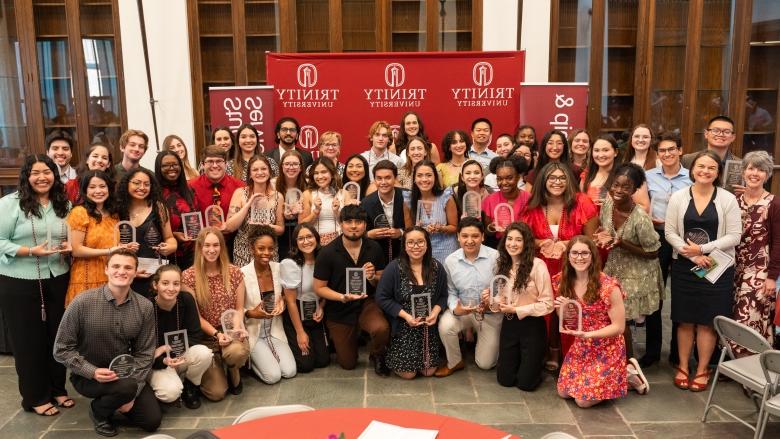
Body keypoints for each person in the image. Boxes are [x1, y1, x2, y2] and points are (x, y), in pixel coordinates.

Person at [54, 250, 161, 436]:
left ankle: (117, 399)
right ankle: (99, 412)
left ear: (136, 272)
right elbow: (61, 349)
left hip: (127, 376)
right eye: (116, 266)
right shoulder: (82, 302)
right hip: (88, 377)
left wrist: (132, 393)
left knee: (151, 421)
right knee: (125, 388)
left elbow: (145, 352)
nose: (122, 271)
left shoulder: (144, 307)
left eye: (128, 267)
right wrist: (92, 371)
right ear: (106, 270)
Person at [0, 155, 72, 417]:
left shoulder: (64, 203)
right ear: (26, 177)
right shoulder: (10, 204)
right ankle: (35, 396)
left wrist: (68, 247)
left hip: (58, 276)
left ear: (55, 174)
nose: (42, 177)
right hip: (19, 281)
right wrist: (29, 250)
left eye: (47, 172)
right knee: (28, 341)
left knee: (57, 337)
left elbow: (70, 234)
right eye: (35, 173)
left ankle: (57, 389)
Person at [666, 150, 741, 392]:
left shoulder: (727, 199)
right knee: (685, 319)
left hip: (717, 267)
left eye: (711, 168)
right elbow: (670, 233)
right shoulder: (678, 197)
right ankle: (683, 367)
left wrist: (704, 249)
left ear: (718, 172)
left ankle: (702, 370)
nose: (705, 171)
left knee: (708, 321)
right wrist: (692, 253)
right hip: (685, 267)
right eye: (700, 166)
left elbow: (735, 236)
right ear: (692, 169)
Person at [553, 236, 649, 408]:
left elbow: (619, 327)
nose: (579, 257)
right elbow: (568, 320)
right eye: (574, 253)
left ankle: (628, 375)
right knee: (563, 392)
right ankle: (624, 373)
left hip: (608, 347)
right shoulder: (563, 280)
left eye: (584, 253)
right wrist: (562, 309)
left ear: (593, 256)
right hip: (583, 345)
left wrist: (588, 334)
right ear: (568, 256)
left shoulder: (608, 286)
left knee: (582, 401)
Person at [522, 162, 598, 369]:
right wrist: (541, 242)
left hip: (575, 267)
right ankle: (548, 351)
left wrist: (567, 244)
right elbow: (524, 238)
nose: (557, 182)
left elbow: (592, 240)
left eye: (562, 178)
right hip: (542, 267)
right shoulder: (532, 204)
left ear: (569, 181)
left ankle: (571, 355)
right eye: (552, 178)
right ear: (543, 181)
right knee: (545, 313)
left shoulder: (583, 202)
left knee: (569, 310)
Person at [595, 163, 663, 359]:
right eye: (616, 185)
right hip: (614, 268)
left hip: (638, 275)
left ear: (635, 190)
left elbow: (654, 252)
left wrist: (621, 243)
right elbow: (605, 228)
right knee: (610, 317)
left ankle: (628, 367)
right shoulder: (608, 204)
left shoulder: (640, 218)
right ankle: (615, 360)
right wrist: (602, 234)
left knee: (621, 320)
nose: (618, 190)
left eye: (626, 187)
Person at [313, 205, 390, 375]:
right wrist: (341, 297)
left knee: (381, 328)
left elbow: (382, 280)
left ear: (365, 225)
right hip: (339, 308)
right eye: (348, 221)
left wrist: (372, 278)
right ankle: (349, 338)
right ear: (340, 224)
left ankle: (377, 354)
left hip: (366, 303)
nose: (354, 226)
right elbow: (319, 288)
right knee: (348, 364)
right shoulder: (328, 252)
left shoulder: (374, 248)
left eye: (359, 222)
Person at [181, 228, 250, 401]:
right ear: (199, 248)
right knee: (217, 393)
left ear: (221, 247)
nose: (212, 250)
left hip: (230, 329)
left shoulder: (234, 272)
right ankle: (217, 364)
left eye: (216, 245)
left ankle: (233, 369)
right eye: (207, 245)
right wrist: (217, 334)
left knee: (236, 352)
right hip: (206, 336)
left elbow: (239, 308)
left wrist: (233, 330)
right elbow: (196, 317)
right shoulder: (188, 276)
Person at [643, 131, 692, 367]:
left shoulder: (692, 177)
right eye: (662, 150)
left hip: (684, 239)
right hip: (657, 237)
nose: (667, 154)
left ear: (680, 150)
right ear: (658, 154)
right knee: (656, 293)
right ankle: (652, 351)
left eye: (672, 149)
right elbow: (641, 204)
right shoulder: (648, 176)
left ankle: (676, 352)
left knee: (681, 293)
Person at [376, 226, 447, 379]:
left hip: (428, 328)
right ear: (404, 246)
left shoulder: (436, 267)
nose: (416, 246)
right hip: (404, 326)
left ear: (427, 244)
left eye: (420, 242)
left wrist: (434, 313)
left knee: (429, 372)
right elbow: (382, 297)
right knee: (409, 375)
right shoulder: (394, 268)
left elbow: (443, 296)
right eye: (411, 242)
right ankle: (387, 353)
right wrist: (406, 316)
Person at [436, 217, 500, 376]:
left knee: (485, 364)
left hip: (489, 313)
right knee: (445, 326)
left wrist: (493, 299)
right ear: (458, 236)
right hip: (464, 311)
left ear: (483, 236)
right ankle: (455, 361)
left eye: (475, 236)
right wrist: (455, 309)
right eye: (464, 236)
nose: (469, 241)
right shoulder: (450, 260)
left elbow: (503, 286)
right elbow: (450, 291)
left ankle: (480, 339)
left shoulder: (497, 257)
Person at [494, 222, 553, 391]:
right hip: (509, 323)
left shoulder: (537, 265)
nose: (512, 244)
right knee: (505, 380)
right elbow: (501, 296)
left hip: (532, 325)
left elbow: (548, 304)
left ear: (526, 242)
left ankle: (533, 363)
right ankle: (523, 362)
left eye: (518, 240)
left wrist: (517, 310)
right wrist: (494, 300)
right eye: (509, 239)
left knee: (526, 384)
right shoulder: (502, 264)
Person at [733, 151, 780, 356]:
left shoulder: (774, 203)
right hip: (732, 268)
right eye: (751, 168)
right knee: (732, 316)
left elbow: (779, 241)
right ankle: (733, 363)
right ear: (743, 171)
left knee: (750, 318)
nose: (755, 173)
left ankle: (750, 369)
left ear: (767, 175)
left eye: (761, 170)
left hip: (759, 271)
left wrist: (772, 277)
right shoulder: (733, 200)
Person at [148, 265, 212, 409]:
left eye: (176, 284)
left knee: (204, 353)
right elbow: (145, 347)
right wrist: (163, 360)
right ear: (155, 285)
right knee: (170, 393)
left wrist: (176, 354)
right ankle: (163, 385)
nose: (171, 288)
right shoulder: (147, 307)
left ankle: (190, 385)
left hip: (181, 353)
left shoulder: (186, 300)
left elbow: (196, 335)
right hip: (158, 361)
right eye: (165, 283)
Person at [242, 226, 297, 384]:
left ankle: (267, 358)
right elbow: (236, 308)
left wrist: (283, 302)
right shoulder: (242, 273)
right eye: (261, 248)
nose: (266, 253)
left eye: (270, 248)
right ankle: (250, 364)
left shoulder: (279, 268)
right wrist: (252, 313)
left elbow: (288, 296)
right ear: (251, 248)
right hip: (255, 332)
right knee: (273, 377)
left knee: (290, 371)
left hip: (275, 329)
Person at [66, 170, 124, 305]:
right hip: (86, 278)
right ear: (85, 190)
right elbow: (76, 250)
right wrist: (109, 250)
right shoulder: (79, 212)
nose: (98, 191)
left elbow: (113, 244)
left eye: (102, 186)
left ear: (109, 188)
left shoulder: (113, 214)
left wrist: (124, 248)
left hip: (111, 277)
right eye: (92, 187)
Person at [116, 168, 177, 296]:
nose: (142, 187)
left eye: (146, 184)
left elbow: (170, 238)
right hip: (125, 272)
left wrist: (170, 247)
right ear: (127, 183)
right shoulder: (117, 208)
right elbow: (112, 244)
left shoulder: (159, 207)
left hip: (153, 272)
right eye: (136, 183)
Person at [280, 224, 330, 373]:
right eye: (300, 238)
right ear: (295, 243)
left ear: (316, 238)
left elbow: (327, 287)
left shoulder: (324, 259)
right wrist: (300, 333)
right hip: (296, 313)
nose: (306, 241)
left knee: (323, 361)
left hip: (314, 313)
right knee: (306, 365)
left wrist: (322, 306)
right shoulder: (290, 264)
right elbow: (290, 301)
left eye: (309, 237)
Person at [224, 155, 284, 266]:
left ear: (269, 172)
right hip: (243, 249)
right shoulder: (240, 193)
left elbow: (281, 229)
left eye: (263, 169)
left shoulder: (278, 197)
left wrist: (267, 226)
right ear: (250, 174)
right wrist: (248, 204)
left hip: (268, 251)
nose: (260, 172)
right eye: (255, 170)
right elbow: (229, 226)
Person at [188, 145, 246, 257]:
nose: (215, 165)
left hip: (232, 247)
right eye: (210, 161)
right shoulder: (190, 187)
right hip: (200, 247)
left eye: (219, 161)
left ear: (226, 163)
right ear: (202, 164)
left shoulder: (240, 187)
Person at [404, 160, 458, 264]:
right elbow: (408, 231)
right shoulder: (408, 200)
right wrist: (418, 230)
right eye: (420, 175)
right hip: (420, 249)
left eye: (429, 175)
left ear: (435, 178)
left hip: (446, 247)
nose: (424, 179)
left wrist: (441, 228)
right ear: (414, 179)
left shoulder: (446, 197)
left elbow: (454, 227)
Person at [156, 150, 200, 270]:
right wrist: (174, 235)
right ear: (158, 168)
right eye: (165, 165)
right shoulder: (154, 193)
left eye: (175, 164)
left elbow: (197, 218)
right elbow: (149, 226)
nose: (171, 168)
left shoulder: (190, 190)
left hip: (191, 254)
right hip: (165, 255)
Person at [362, 160, 406, 263]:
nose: (383, 182)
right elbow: (360, 232)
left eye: (387, 178)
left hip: (405, 252)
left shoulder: (407, 197)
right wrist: (369, 234)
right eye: (379, 178)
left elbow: (417, 225)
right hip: (377, 254)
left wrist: (400, 232)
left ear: (395, 178)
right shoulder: (366, 203)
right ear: (374, 180)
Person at [482, 156, 531, 241]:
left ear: (518, 177)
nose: (504, 183)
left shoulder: (529, 199)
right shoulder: (489, 200)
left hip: (524, 245)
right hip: (497, 246)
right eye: (499, 179)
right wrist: (491, 228)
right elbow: (486, 232)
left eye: (509, 178)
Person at [301, 158, 343, 245]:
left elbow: (350, 223)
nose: (320, 176)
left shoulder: (343, 193)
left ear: (332, 174)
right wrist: (315, 212)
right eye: (316, 173)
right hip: (315, 243)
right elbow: (301, 225)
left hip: (339, 241)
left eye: (324, 172)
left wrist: (337, 212)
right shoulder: (307, 194)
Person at [276, 150, 307, 260]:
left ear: (301, 167)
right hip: (279, 236)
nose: (291, 167)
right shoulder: (272, 184)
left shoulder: (308, 185)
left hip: (302, 233)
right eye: (287, 164)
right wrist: (282, 213)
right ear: (281, 166)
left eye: (295, 164)